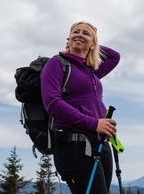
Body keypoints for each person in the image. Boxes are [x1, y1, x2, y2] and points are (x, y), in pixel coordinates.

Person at [41, 21, 120, 194]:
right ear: (67, 40)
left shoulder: (91, 71)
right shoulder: (57, 63)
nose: (80, 34)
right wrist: (95, 124)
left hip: (99, 146)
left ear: (93, 44)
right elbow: (52, 104)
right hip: (74, 146)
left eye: (85, 33)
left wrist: (93, 40)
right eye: (75, 32)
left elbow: (115, 57)